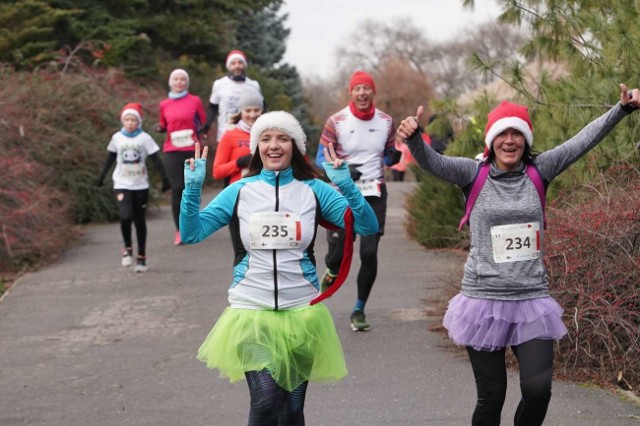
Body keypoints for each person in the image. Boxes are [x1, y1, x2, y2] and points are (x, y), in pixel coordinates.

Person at [396, 83, 640, 426]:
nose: (509, 140)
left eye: (517, 133)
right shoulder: (472, 173)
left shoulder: (541, 170)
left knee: (538, 391)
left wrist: (623, 109)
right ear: (491, 139)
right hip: (482, 300)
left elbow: (583, 140)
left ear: (526, 139)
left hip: (531, 299)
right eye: (502, 133)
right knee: (491, 398)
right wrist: (413, 138)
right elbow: (433, 163)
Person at [180, 111, 379, 425]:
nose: (274, 145)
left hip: (301, 312)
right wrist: (191, 188)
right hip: (251, 311)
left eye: (282, 138)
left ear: (295, 146)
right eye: (266, 138)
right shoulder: (240, 191)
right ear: (257, 146)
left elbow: (367, 226)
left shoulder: (314, 190)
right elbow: (192, 233)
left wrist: (346, 186)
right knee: (266, 400)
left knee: (292, 408)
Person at [315, 70, 400, 331]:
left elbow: (387, 154)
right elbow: (320, 158)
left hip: (374, 194)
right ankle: (331, 269)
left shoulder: (386, 122)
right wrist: (341, 170)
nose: (362, 93)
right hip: (341, 195)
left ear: (373, 92)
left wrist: (392, 158)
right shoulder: (337, 121)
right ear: (351, 92)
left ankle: (359, 309)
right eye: (357, 88)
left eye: (367, 88)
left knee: (369, 252)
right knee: (338, 257)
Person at [97, 102, 171, 272]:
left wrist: (165, 179)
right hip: (121, 183)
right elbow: (110, 158)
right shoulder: (117, 138)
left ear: (138, 122)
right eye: (127, 120)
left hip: (140, 185)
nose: (130, 123)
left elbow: (156, 159)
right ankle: (127, 249)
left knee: (139, 220)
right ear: (123, 121)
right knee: (125, 216)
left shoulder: (145, 138)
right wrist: (101, 177)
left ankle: (142, 257)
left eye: (133, 120)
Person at [156, 68, 206, 245]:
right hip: (172, 149)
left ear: (187, 82)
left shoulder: (195, 100)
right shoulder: (164, 104)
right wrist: (159, 128)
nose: (179, 82)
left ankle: (193, 225)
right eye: (176, 79)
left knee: (191, 187)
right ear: (171, 82)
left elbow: (202, 121)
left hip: (192, 148)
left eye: (182, 79)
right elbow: (163, 124)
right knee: (177, 188)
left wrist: (202, 131)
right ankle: (180, 230)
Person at [203, 49, 262, 143]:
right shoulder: (219, 84)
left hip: (248, 137)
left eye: (240, 63)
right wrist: (206, 127)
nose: (237, 66)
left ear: (244, 65)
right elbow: (212, 109)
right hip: (224, 135)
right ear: (229, 66)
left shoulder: (254, 85)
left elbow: (263, 109)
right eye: (233, 63)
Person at [211, 87, 264, 185]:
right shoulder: (230, 135)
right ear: (240, 112)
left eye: (257, 110)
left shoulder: (270, 134)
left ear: (262, 111)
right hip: (239, 192)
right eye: (247, 110)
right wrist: (238, 162)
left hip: (266, 192)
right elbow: (217, 172)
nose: (252, 115)